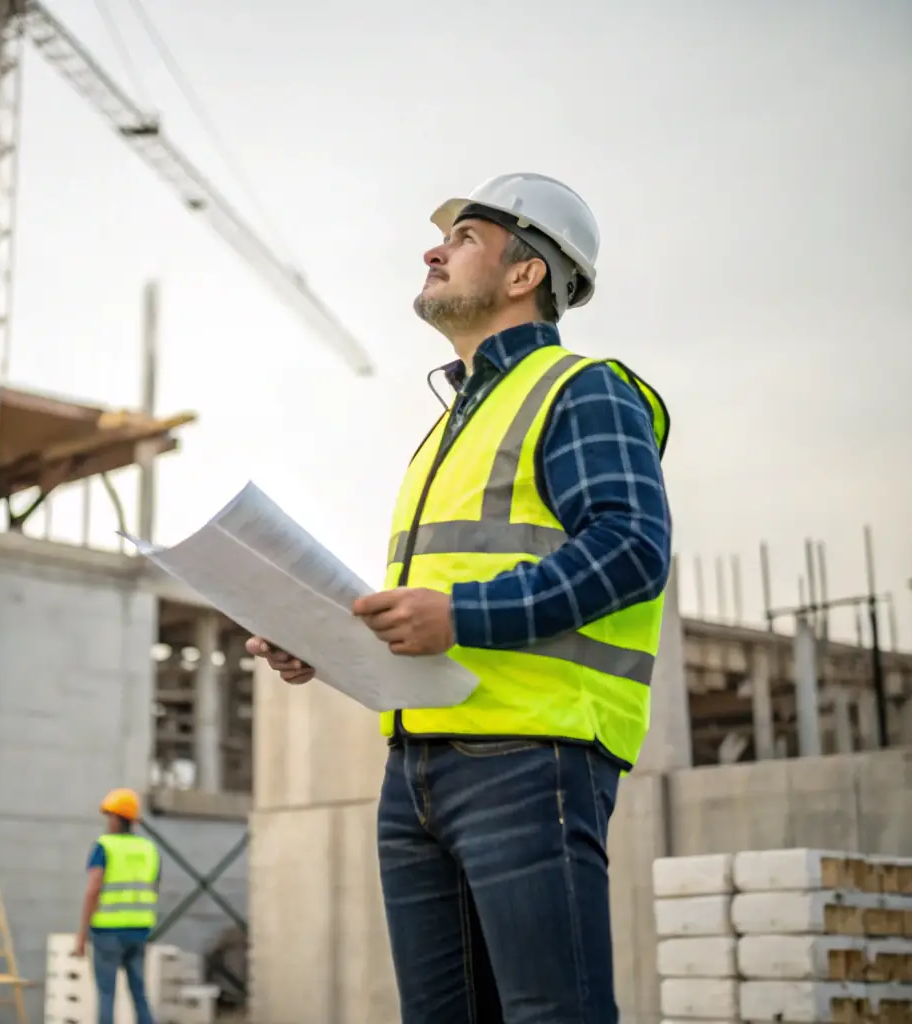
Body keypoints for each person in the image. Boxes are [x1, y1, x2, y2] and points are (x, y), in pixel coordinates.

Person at [247, 172, 671, 1023]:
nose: (432, 249)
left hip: (529, 756)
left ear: (525, 274)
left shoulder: (580, 389)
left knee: (556, 1014)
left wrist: (462, 618)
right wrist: (323, 641)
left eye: (465, 238)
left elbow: (631, 548)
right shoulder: (446, 429)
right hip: (416, 767)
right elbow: (437, 602)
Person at [72, 788, 162, 1024]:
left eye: (109, 816)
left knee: (106, 994)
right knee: (139, 994)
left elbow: (93, 889)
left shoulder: (104, 846)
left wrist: (81, 936)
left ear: (115, 818)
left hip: (107, 932)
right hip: (139, 931)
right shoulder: (149, 849)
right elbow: (154, 888)